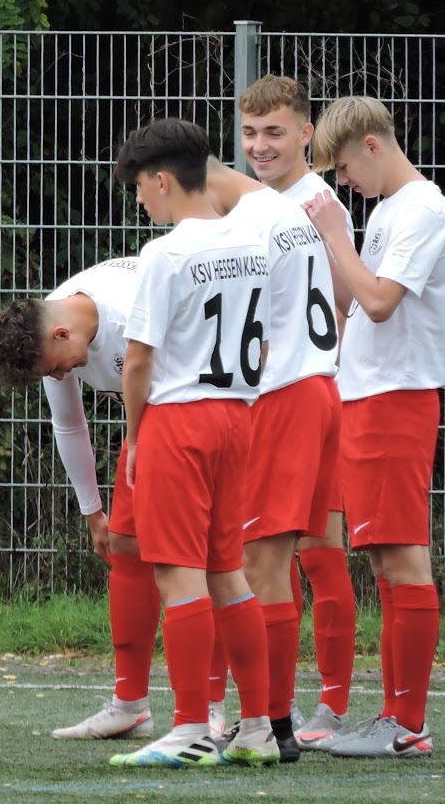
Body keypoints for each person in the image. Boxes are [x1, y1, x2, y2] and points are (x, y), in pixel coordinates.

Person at [108, 118, 277, 768]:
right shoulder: (254, 240)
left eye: (140, 190)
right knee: (225, 570)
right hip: (238, 413)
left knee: (178, 573)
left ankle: (190, 727)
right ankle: (255, 725)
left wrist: (135, 437)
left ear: (160, 179)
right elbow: (259, 342)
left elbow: (138, 363)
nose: (141, 202)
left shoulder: (166, 252)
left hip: (180, 418)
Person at [0, 258, 184, 740]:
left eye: (55, 369)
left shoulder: (127, 308)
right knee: (127, 550)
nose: (60, 376)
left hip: (196, 414)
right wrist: (94, 513)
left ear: (59, 335)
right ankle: (130, 703)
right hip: (148, 428)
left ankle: (214, 708)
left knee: (199, 562)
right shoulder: (56, 322)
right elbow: (69, 424)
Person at [303, 96, 442, 759]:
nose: (342, 181)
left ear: (373, 144)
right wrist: (328, 244)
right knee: (385, 560)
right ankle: (394, 715)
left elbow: (382, 303)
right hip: (367, 397)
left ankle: (407, 723)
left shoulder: (423, 206)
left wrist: (336, 235)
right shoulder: (390, 210)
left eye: (344, 165)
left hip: (396, 399)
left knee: (404, 557)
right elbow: (358, 297)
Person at [202, 155, 341, 763]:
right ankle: (275, 720)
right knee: (275, 561)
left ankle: (270, 721)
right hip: (317, 386)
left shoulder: (246, 225)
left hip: (284, 393)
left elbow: (239, 325)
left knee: (258, 561)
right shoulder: (284, 210)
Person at [238, 75, 358, 750]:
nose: (260, 145)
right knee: (302, 550)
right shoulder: (285, 201)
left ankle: (299, 711)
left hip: (299, 393)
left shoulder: (306, 204)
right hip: (304, 391)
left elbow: (344, 301)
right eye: (251, 133)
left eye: (275, 132)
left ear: (307, 133)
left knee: (296, 553)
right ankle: (299, 706)